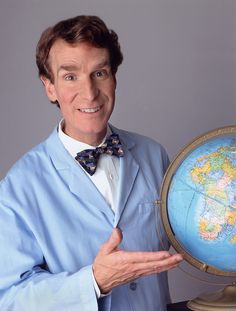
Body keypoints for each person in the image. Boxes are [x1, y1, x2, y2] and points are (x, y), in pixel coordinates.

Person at [0, 15, 183, 311]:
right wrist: (94, 281)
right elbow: (9, 298)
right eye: (70, 76)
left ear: (114, 78)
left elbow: (194, 233)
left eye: (100, 73)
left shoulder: (154, 155)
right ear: (49, 87)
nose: (89, 93)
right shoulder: (18, 187)